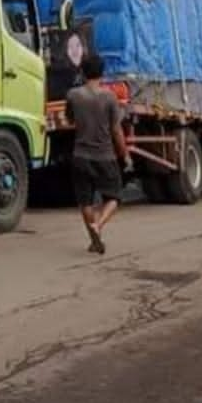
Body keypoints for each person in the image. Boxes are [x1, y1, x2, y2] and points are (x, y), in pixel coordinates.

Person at [66, 54, 127, 256]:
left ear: (82, 72)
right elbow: (116, 130)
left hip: (80, 156)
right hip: (105, 156)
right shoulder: (109, 97)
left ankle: (94, 239)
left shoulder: (73, 95)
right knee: (114, 196)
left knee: (85, 201)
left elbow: (69, 121)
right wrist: (124, 154)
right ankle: (98, 225)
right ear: (102, 73)